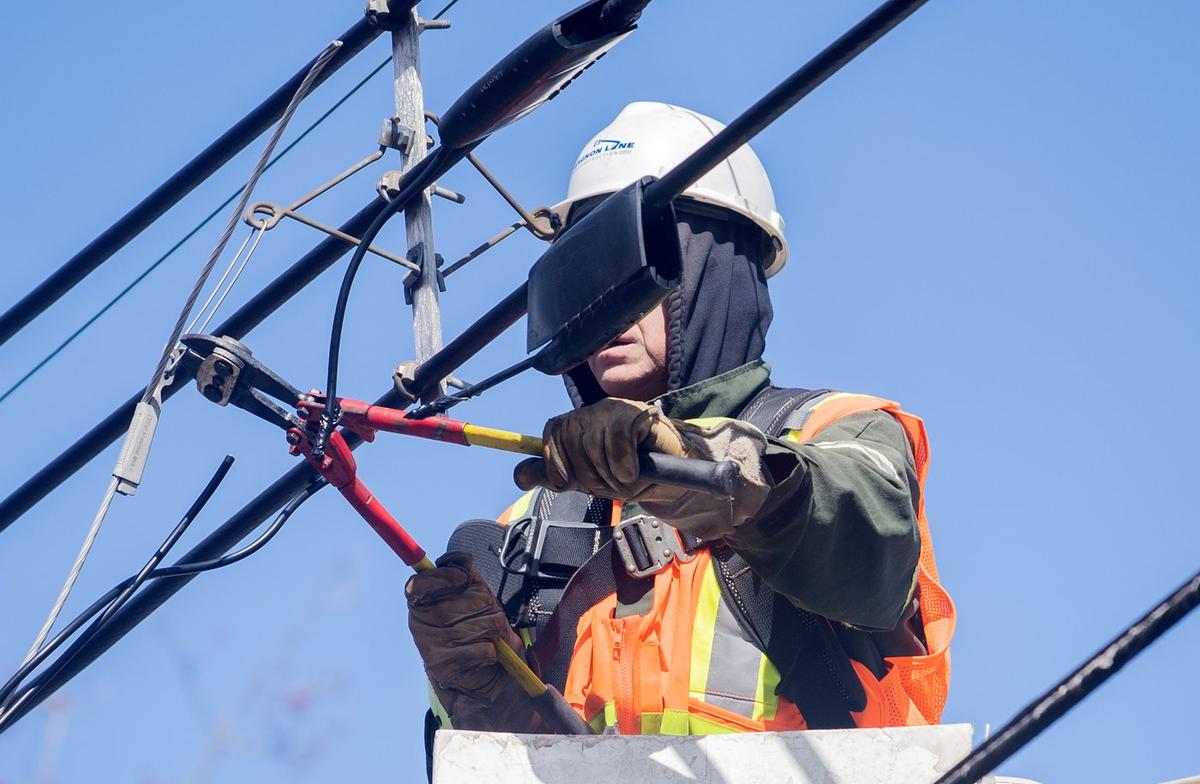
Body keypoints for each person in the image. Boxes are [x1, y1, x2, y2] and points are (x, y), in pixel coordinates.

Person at [406, 102, 954, 741]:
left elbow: (866, 548)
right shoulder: (529, 526)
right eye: (588, 282)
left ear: (711, 272)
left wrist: (694, 465)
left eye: (635, 274)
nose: (606, 310)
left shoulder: (835, 431)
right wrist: (476, 698)